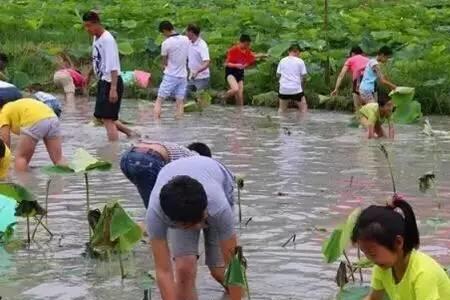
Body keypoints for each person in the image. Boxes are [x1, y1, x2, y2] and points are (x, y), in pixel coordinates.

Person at [145, 156, 241, 300]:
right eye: (191, 225)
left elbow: (233, 266)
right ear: (173, 221)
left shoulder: (218, 207)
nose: (198, 227)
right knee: (184, 269)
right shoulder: (156, 214)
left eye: (201, 221)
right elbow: (163, 271)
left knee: (218, 269)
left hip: (215, 178)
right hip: (179, 204)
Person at [352, 196, 450, 300]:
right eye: (365, 252)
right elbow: (373, 298)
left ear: (398, 242)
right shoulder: (382, 267)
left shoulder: (423, 273)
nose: (370, 259)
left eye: (372, 253)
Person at [82, 11, 133, 141]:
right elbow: (96, 58)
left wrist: (113, 88)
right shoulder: (96, 37)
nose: (87, 29)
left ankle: (112, 151)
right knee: (103, 116)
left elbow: (113, 66)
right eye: (85, 26)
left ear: (97, 24)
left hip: (111, 82)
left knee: (108, 119)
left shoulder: (107, 40)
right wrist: (89, 74)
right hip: (103, 80)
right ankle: (130, 133)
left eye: (88, 26)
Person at [120, 141, 211, 208]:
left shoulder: (180, 150)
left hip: (127, 157)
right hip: (146, 159)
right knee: (156, 206)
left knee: (153, 202)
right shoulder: (195, 160)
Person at [0, 98, 63, 171]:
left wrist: (4, 158)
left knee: (21, 158)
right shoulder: (13, 106)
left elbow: (5, 138)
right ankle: (65, 179)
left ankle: (23, 181)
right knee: (59, 159)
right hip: (52, 117)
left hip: (34, 120)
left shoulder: (3, 112)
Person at [153, 21, 190, 119]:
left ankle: (156, 124)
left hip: (170, 75)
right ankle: (179, 124)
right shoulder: (186, 39)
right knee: (180, 102)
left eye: (162, 33)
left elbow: (165, 62)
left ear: (165, 30)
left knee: (159, 100)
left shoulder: (166, 43)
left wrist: (163, 66)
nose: (163, 35)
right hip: (183, 76)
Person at [223, 34, 265, 106]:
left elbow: (252, 56)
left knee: (240, 95)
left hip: (240, 73)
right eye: (246, 44)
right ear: (241, 42)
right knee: (235, 89)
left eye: (248, 45)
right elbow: (226, 64)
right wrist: (236, 65)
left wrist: (263, 55)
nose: (247, 46)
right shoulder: (233, 50)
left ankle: (240, 112)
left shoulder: (247, 51)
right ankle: (223, 97)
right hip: (231, 72)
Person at [331, 46, 369, 110]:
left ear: (353, 53)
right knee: (372, 106)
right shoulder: (368, 60)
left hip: (358, 81)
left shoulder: (350, 60)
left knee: (358, 109)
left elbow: (341, 75)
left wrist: (336, 89)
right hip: (370, 81)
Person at [276, 44, 308, 113]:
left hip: (283, 89)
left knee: (281, 109)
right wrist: (303, 85)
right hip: (296, 89)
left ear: (288, 51)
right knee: (303, 108)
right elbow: (304, 76)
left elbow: (278, 75)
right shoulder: (300, 61)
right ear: (298, 52)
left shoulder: (282, 60)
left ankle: (281, 123)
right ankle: (302, 123)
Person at [186, 24, 211, 97]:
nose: (186, 33)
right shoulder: (189, 42)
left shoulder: (202, 45)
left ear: (191, 32)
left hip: (202, 78)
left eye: (187, 32)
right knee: (183, 95)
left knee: (198, 98)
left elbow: (207, 62)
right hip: (192, 77)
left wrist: (197, 71)